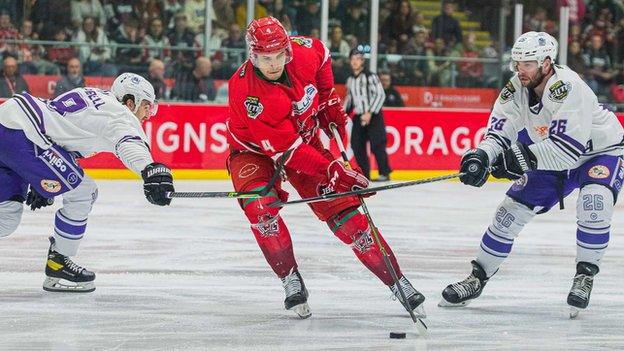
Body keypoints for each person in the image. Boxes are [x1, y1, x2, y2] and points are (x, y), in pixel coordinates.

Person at [226, 16, 425, 319]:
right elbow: (288, 153)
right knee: (260, 209)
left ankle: (397, 281)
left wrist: (328, 98)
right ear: (253, 55)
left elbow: (323, 57)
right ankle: (289, 278)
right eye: (266, 58)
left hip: (303, 140)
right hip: (253, 151)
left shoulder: (305, 51)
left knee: (349, 218)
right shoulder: (247, 92)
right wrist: (334, 171)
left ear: (288, 49)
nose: (274, 63)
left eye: (280, 55)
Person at [439, 32, 624, 317]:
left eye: (527, 64)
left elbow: (567, 151)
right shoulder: (515, 88)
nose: (520, 70)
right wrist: (482, 156)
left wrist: (517, 159)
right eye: (517, 63)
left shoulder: (569, 87)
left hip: (600, 152)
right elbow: (500, 131)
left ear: (547, 63)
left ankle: (585, 273)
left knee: (594, 203)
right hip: (550, 153)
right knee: (508, 212)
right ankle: (478, 276)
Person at [0, 73, 175, 293]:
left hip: (10, 120)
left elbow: (59, 129)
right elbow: (130, 143)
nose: (148, 115)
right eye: (147, 106)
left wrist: (37, 176)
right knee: (83, 191)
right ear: (131, 102)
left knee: (7, 216)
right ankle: (59, 263)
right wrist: (150, 170)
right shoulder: (121, 115)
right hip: (22, 134)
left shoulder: (91, 94)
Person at [345, 48, 392, 181]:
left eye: (357, 59)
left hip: (374, 115)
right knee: (356, 144)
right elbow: (350, 100)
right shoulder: (350, 80)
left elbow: (380, 95)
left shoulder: (370, 76)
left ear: (362, 61)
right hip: (359, 116)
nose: (354, 62)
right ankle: (365, 174)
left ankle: (384, 172)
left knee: (377, 143)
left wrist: (370, 112)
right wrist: (342, 115)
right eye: (352, 59)